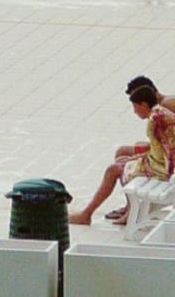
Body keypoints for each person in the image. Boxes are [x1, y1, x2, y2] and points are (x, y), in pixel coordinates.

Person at [69, 84, 175, 226]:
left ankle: (87, 214)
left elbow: (169, 153)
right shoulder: (160, 113)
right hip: (161, 164)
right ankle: (129, 209)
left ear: (144, 104)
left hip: (164, 171)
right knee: (122, 161)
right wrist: (137, 158)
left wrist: (146, 164)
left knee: (113, 170)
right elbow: (161, 150)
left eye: (135, 107)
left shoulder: (156, 120)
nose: (135, 112)